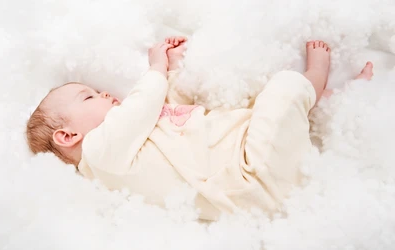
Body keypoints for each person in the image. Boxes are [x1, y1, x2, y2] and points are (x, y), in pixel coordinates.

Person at [26, 37, 373, 220]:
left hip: (250, 169)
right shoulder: (100, 152)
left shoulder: (126, 150)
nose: (103, 93)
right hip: (251, 175)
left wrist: (174, 71)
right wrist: (157, 66)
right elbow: (145, 103)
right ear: (69, 136)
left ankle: (324, 99)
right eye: (89, 97)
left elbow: (167, 112)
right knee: (282, 90)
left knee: (261, 108)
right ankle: (316, 78)